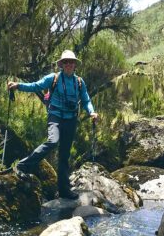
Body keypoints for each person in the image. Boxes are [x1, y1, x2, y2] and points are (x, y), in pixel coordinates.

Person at [7, 50, 99, 200]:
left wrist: (92, 112)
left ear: (75, 64)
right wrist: (18, 86)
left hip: (71, 120)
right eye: (66, 62)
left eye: (71, 62)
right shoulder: (53, 78)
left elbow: (86, 100)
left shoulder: (79, 82)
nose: (69, 64)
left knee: (64, 155)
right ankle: (22, 166)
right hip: (55, 116)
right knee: (52, 141)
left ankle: (64, 191)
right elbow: (35, 86)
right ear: (61, 64)